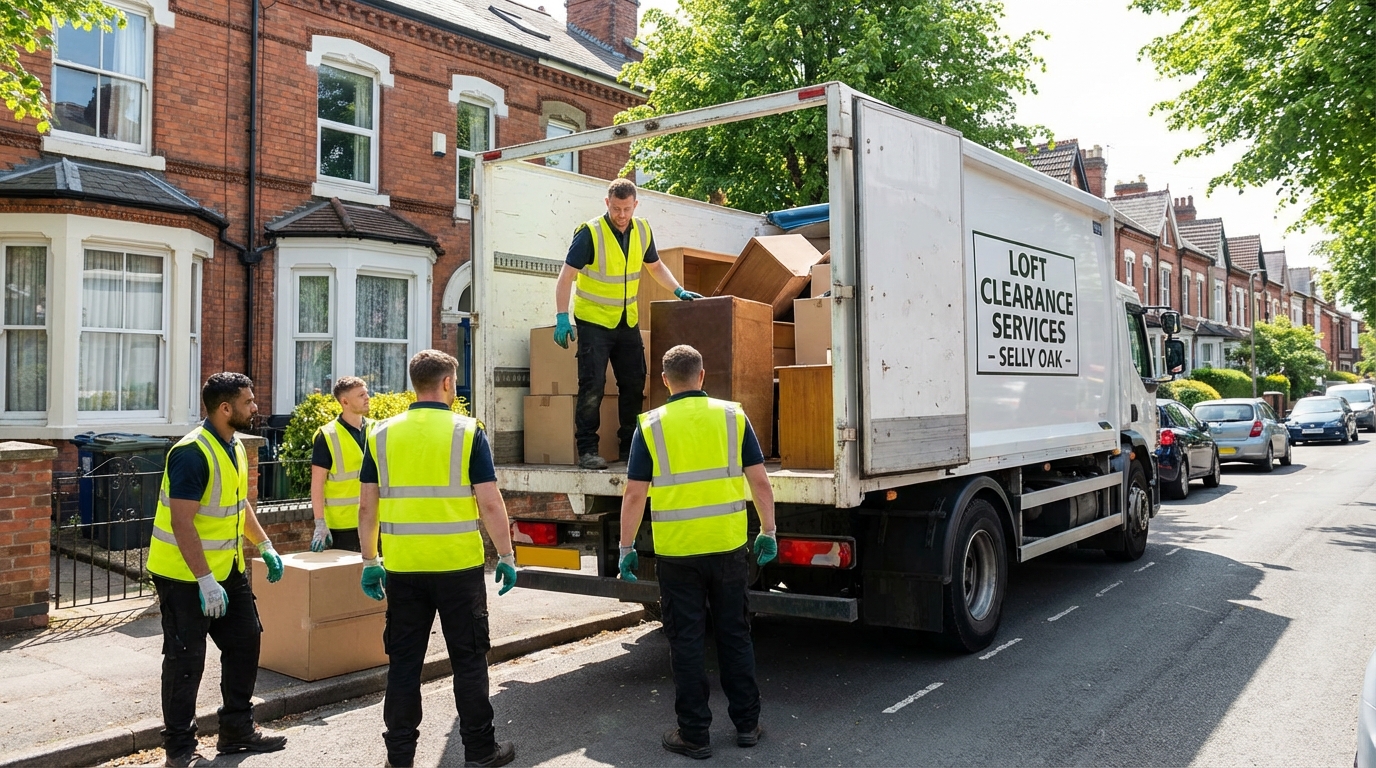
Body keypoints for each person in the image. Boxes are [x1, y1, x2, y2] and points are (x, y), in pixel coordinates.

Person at [357, 349, 520, 768]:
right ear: (448, 383)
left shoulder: (379, 434)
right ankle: (480, 751)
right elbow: (489, 502)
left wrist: (369, 560)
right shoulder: (467, 432)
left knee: (405, 666)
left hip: (403, 568)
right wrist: (505, 554)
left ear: (414, 383)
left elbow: (366, 508)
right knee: (468, 662)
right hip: (457, 568)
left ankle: (399, 757)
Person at [617, 344, 778, 760]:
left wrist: (626, 546)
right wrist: (768, 530)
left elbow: (635, 494)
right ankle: (746, 725)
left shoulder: (650, 425)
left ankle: (695, 735)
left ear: (665, 381)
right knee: (734, 635)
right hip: (727, 548)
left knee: (686, 642)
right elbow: (760, 482)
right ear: (702, 376)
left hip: (677, 554)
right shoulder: (732, 416)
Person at [147, 372, 288, 768]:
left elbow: (237, 504)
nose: (256, 407)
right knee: (185, 659)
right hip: (184, 576)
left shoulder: (235, 446)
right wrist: (205, 580)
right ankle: (179, 748)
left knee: (246, 642)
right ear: (225, 408)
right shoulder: (192, 452)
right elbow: (182, 522)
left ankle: (236, 730)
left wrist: (264, 544)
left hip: (228, 569)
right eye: (248, 402)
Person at [553, 177, 703, 470]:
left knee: (635, 384)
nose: (622, 215)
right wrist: (561, 316)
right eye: (616, 209)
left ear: (635, 205)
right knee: (593, 386)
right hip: (593, 322)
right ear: (607, 203)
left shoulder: (643, 230)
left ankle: (629, 449)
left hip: (626, 321)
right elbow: (566, 275)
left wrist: (678, 290)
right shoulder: (590, 233)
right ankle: (587, 450)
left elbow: (655, 266)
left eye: (627, 209)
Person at [309, 376, 372, 552]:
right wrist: (320, 523)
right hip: (342, 528)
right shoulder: (327, 435)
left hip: (374, 522)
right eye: (361, 395)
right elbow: (317, 484)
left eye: (366, 393)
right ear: (344, 401)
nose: (367, 397)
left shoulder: (376, 429)